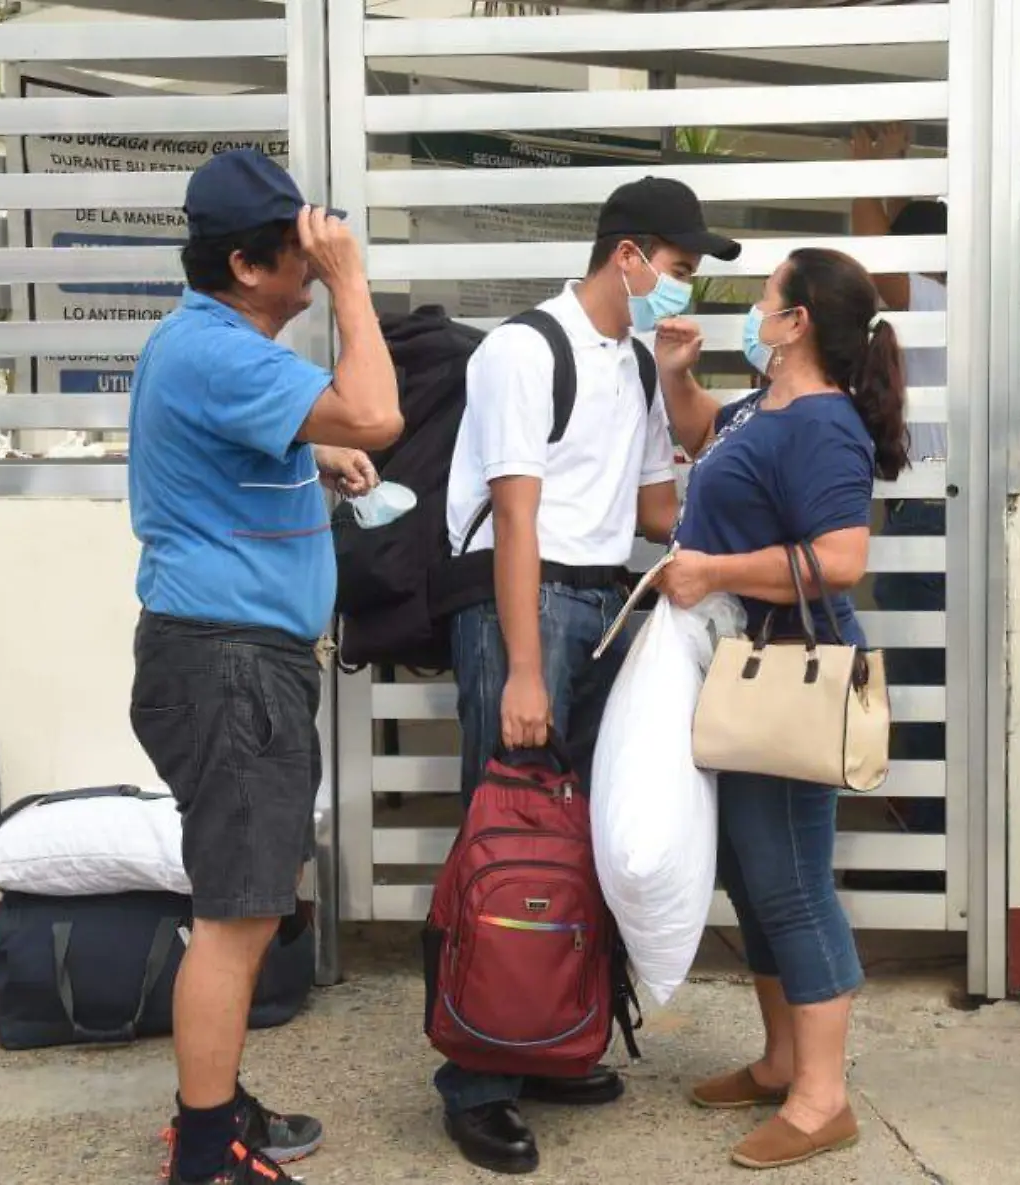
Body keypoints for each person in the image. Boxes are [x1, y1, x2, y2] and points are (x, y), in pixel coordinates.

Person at [435, 176, 738, 1175]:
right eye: (679, 270)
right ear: (628, 256)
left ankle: (552, 1040)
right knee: (504, 834)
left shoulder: (637, 362)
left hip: (606, 606)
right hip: (521, 610)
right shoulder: (523, 350)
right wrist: (524, 669)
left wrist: (686, 388)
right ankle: (477, 1081)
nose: (681, 290)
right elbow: (514, 517)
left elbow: (658, 511)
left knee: (583, 835)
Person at [127, 148, 400, 1185]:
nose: (316, 263)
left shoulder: (209, 346)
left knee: (241, 906)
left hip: (233, 663)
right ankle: (206, 1156)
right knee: (235, 921)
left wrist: (313, 454)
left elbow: (286, 438)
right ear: (249, 266)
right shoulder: (221, 351)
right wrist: (356, 288)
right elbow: (378, 411)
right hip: (229, 669)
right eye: (301, 252)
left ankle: (216, 1105)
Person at [652, 247, 907, 1170]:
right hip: (744, 664)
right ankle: (778, 1060)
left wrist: (712, 571)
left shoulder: (826, 424)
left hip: (792, 669)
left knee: (793, 881)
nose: (754, 311)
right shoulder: (767, 407)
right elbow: (707, 440)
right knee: (754, 876)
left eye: (765, 299)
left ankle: (821, 1096)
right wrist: (676, 375)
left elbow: (839, 557)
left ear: (798, 321)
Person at [851, 121, 948, 842]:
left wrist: (871, 166)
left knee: (915, 693)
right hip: (940, 518)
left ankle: (918, 847)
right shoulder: (966, 315)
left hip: (929, 521)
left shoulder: (935, 305)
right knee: (935, 691)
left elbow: (874, 265)